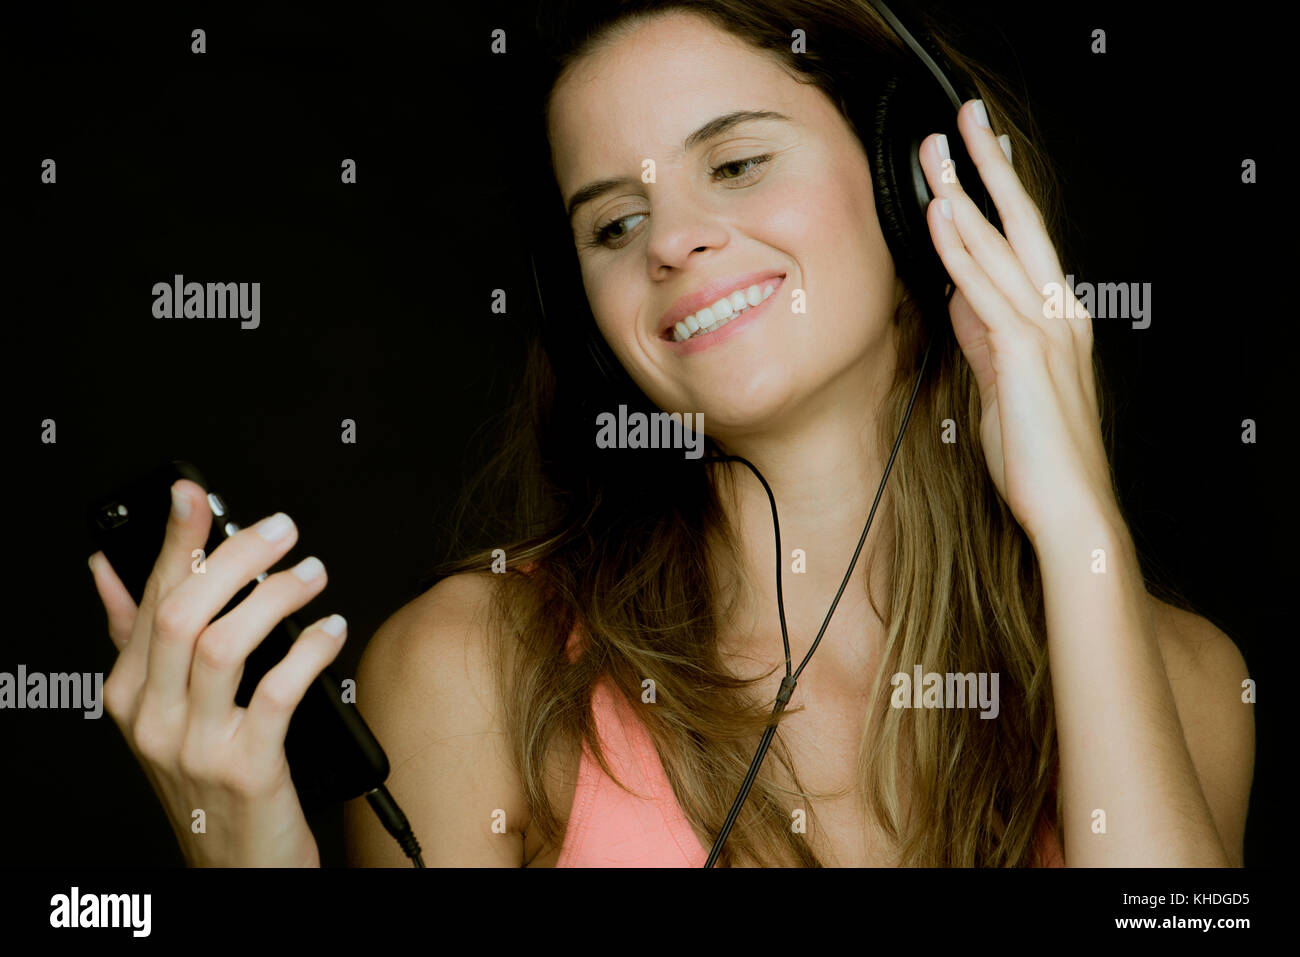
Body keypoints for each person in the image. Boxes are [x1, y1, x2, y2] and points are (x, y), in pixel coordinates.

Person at [88, 0, 1254, 868]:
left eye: (737, 164)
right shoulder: (469, 674)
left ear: (923, 189)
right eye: (615, 222)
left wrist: (1077, 528)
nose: (671, 243)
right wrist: (247, 857)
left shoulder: (1187, 682)